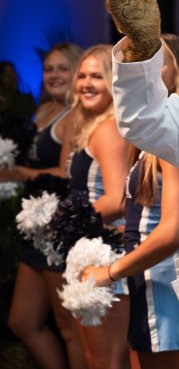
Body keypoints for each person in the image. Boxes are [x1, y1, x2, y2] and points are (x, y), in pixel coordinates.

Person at [82, 34, 179, 369]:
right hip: (148, 276)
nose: (139, 69)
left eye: (153, 61)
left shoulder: (175, 134)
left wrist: (109, 271)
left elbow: (174, 231)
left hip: (165, 278)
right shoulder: (153, 133)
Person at [4, 43, 86, 369]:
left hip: (58, 228)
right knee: (22, 321)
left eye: (62, 69)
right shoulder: (43, 111)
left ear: (76, 72)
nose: (54, 75)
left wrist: (22, 173)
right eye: (49, 69)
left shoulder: (75, 116)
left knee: (69, 328)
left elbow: (67, 174)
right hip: (35, 226)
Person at [67, 44, 135, 368]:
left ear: (114, 81)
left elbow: (118, 200)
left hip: (106, 252)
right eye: (82, 76)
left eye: (97, 76)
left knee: (106, 361)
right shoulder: (94, 124)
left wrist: (67, 221)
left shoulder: (110, 128)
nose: (87, 83)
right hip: (90, 246)